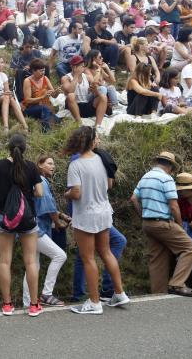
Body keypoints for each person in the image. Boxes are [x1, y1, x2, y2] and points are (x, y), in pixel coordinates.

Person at [65, 127, 130, 314]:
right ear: (92, 142)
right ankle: (119, 293)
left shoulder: (75, 165)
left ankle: (94, 302)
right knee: (106, 252)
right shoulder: (102, 160)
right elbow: (109, 185)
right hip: (104, 211)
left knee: (88, 258)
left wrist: (66, 193)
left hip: (86, 214)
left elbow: (76, 193)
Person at [0, 134, 43, 317]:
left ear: (8, 148)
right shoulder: (31, 167)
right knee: (30, 261)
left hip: (5, 218)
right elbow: (40, 193)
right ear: (25, 149)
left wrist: (4, 193)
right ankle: (34, 305)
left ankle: (7, 304)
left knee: (5, 261)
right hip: (27, 219)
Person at [130, 151, 192, 296]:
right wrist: (180, 226)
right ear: (171, 167)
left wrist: (143, 215)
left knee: (157, 258)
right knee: (190, 247)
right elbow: (174, 206)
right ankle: (177, 284)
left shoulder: (145, 177)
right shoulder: (166, 179)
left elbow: (133, 199)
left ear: (158, 162)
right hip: (162, 222)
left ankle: (158, 294)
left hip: (148, 223)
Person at [20, 155, 68, 309]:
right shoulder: (41, 182)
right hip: (37, 230)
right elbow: (48, 207)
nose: (53, 166)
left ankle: (27, 302)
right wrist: (57, 222)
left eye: (53, 163)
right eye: (49, 163)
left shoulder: (35, 181)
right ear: (39, 165)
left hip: (28, 227)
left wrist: (61, 215)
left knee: (33, 265)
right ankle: (46, 293)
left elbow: (45, 205)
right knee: (60, 255)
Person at [61, 54, 108, 128]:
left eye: (83, 65)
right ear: (74, 67)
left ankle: (98, 125)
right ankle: (79, 123)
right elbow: (70, 91)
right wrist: (76, 75)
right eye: (81, 66)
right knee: (71, 95)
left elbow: (96, 92)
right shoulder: (66, 78)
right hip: (73, 105)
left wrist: (95, 90)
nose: (83, 67)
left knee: (103, 97)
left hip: (86, 104)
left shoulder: (87, 77)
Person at [0, 55, 28, 132]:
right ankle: (6, 126)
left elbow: (7, 91)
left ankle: (24, 125)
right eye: (2, 62)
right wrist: (4, 93)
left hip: (3, 97)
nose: (4, 65)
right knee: (7, 97)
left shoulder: (3, 75)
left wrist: (9, 94)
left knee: (10, 98)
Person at [22, 58, 58, 132]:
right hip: (30, 108)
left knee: (57, 119)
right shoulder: (27, 81)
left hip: (44, 106)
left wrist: (57, 92)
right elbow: (27, 100)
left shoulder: (45, 78)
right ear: (34, 71)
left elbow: (54, 95)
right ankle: (45, 131)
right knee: (45, 109)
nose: (43, 72)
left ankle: (48, 125)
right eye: (41, 71)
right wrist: (42, 97)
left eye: (44, 70)